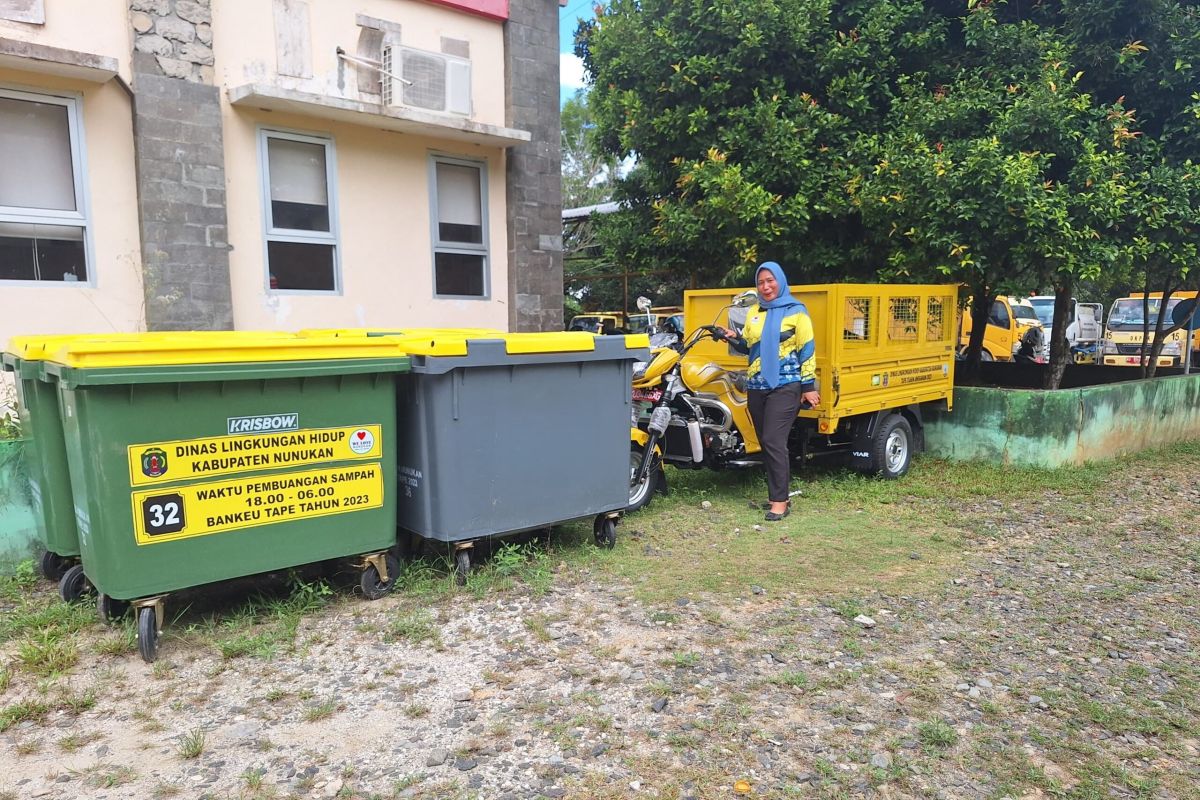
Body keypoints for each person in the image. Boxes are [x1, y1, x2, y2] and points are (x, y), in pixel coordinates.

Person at [718, 262, 820, 521]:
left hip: (786, 386)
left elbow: (806, 349)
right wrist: (733, 337)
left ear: (780, 281)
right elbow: (749, 347)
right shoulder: (754, 312)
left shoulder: (797, 312)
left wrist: (808, 387)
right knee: (767, 441)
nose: (765, 286)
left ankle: (779, 501)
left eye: (770, 281)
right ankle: (779, 495)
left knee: (774, 440)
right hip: (757, 387)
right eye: (761, 282)